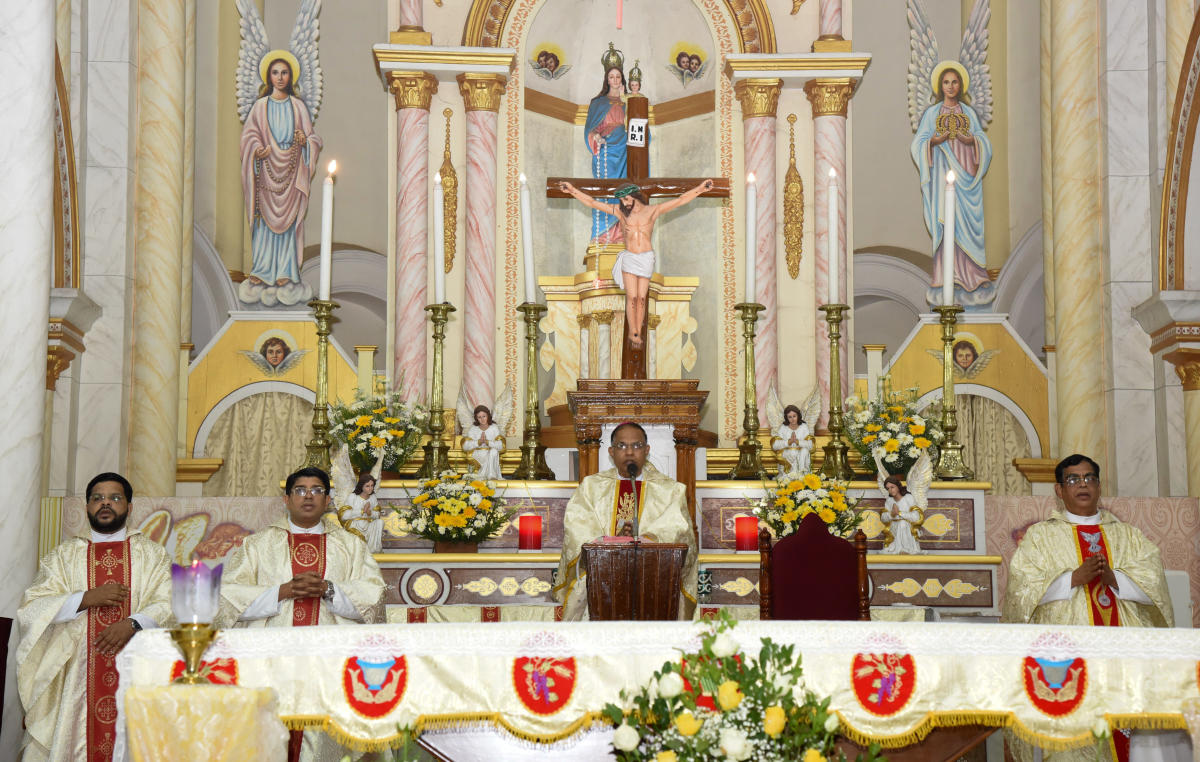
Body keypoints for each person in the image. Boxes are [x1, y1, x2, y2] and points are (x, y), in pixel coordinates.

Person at [1003, 455, 1180, 761]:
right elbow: (1021, 592)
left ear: (1099, 486)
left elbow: (1156, 590)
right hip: (1067, 658)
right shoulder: (1041, 536)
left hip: (1124, 655)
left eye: (1089, 478)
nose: (1082, 484)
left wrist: (1114, 579)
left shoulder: (1127, 535)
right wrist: (1074, 578)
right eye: (1073, 479)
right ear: (1058, 490)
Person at [220, 466, 385, 761]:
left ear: (328, 500)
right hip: (271, 659)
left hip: (330, 660)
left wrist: (328, 589)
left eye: (317, 490)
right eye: (300, 490)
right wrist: (281, 592)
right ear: (286, 500)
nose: (308, 496)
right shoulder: (257, 545)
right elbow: (228, 597)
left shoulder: (351, 546)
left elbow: (374, 595)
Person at [17, 473, 173, 762]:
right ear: (87, 507)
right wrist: (86, 599)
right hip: (76, 674)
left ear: (129, 506)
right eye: (97, 498)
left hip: (136, 669)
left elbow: (168, 602)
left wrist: (133, 623)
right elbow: (31, 608)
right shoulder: (64, 556)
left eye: (115, 498)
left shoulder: (152, 555)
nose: (105, 504)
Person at [554, 422, 697, 621]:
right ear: (611, 452)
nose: (629, 452)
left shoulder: (670, 490)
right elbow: (577, 527)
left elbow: (678, 528)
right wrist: (609, 541)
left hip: (654, 580)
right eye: (622, 446)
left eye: (636, 446)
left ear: (646, 450)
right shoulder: (591, 487)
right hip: (601, 579)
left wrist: (645, 539)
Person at [559, 178, 713, 348]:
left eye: (626, 199)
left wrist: (700, 189)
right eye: (622, 201)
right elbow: (592, 202)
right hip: (630, 257)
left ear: (634, 196)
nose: (624, 203)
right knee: (631, 297)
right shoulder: (620, 212)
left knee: (641, 298)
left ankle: (639, 330)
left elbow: (680, 200)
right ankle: (633, 332)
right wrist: (572, 190)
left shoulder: (653, 211)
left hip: (646, 257)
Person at [239, 53, 323, 306]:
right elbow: (248, 138)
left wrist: (304, 142)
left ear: (291, 77)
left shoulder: (297, 107)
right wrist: (256, 151)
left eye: (284, 73)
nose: (280, 77)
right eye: (275, 72)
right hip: (266, 172)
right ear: (268, 76)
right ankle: (263, 269)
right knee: (265, 221)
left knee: (287, 225)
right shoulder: (259, 107)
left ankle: (286, 272)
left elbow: (314, 139)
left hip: (291, 170)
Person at [910, 62, 992, 305]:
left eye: (954, 82)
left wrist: (972, 141)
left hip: (967, 182)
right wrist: (935, 140)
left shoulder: (968, 112)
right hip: (942, 179)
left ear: (961, 84)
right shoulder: (932, 114)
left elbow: (984, 143)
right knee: (947, 225)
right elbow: (918, 144)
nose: (950, 86)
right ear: (939, 85)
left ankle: (973, 278)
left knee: (966, 226)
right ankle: (948, 277)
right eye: (946, 82)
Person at [585, 65, 631, 243]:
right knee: (606, 191)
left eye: (618, 77)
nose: (614, 80)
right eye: (611, 77)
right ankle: (603, 236)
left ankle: (621, 234)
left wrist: (628, 99)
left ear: (622, 80)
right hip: (606, 151)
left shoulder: (629, 102)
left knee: (625, 191)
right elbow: (590, 128)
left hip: (625, 152)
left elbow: (639, 127)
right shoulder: (598, 103)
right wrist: (595, 135)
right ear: (606, 79)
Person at [878, 475, 922, 554]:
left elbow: (916, 517)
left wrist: (900, 513)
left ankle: (905, 549)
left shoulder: (908, 498)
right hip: (893, 528)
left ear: (898, 486)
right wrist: (892, 514)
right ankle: (896, 548)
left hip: (907, 527)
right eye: (888, 488)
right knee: (899, 524)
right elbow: (883, 518)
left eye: (892, 487)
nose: (890, 490)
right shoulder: (889, 501)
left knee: (902, 523)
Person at [344, 472, 383, 554]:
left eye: (372, 485)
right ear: (361, 486)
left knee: (380, 522)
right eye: (367, 486)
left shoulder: (372, 497)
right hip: (356, 525)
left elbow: (377, 515)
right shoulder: (353, 497)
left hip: (368, 525)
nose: (370, 488)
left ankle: (373, 550)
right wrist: (362, 511)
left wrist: (369, 513)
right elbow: (345, 515)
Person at [771, 404, 813, 478]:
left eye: (794, 416)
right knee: (788, 454)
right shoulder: (783, 428)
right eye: (790, 417)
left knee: (804, 451)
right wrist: (788, 442)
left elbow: (810, 445)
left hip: (800, 455)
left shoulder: (804, 427)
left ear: (798, 416)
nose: (792, 419)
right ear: (786, 418)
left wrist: (798, 442)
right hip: (787, 456)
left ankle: (802, 475)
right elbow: (775, 446)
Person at [462, 405, 503, 480]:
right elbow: (465, 446)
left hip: (490, 455)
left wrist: (488, 442)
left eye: (484, 416)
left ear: (488, 416)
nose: (482, 419)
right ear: (476, 418)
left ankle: (491, 475)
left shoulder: (494, 428)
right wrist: (478, 442)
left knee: (494, 451)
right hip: (477, 456)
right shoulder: (473, 429)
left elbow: (501, 446)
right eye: (479, 417)